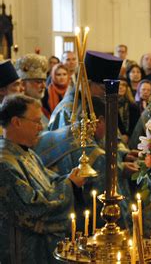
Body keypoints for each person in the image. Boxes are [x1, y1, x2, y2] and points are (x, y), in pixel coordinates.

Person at [0, 94, 86, 263]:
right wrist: (69, 184)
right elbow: (31, 208)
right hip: (23, 253)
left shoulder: (26, 152)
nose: (41, 128)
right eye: (36, 121)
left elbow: (49, 180)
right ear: (16, 122)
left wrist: (69, 178)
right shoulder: (4, 164)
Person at [34, 97, 136, 231]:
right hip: (73, 225)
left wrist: (122, 156)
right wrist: (125, 230)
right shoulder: (96, 156)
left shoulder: (66, 132)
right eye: (109, 125)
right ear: (98, 121)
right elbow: (104, 206)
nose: (108, 133)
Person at [48, 50, 123, 131]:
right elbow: (69, 140)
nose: (106, 94)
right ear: (87, 84)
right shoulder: (67, 110)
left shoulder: (101, 103)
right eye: (103, 89)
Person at [15, 54, 49, 130]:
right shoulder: (18, 111)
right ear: (23, 84)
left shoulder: (40, 107)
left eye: (44, 81)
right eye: (38, 82)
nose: (44, 86)